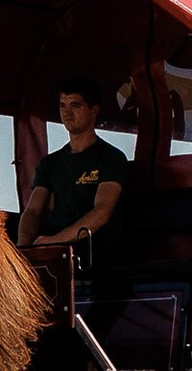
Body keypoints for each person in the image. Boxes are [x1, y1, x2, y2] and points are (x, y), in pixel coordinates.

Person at [17, 82, 130, 271]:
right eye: (63, 106)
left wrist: (54, 242)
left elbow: (101, 212)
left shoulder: (112, 158)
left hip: (94, 248)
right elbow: (33, 211)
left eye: (75, 105)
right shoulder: (50, 164)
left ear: (94, 110)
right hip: (53, 248)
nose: (67, 112)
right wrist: (23, 248)